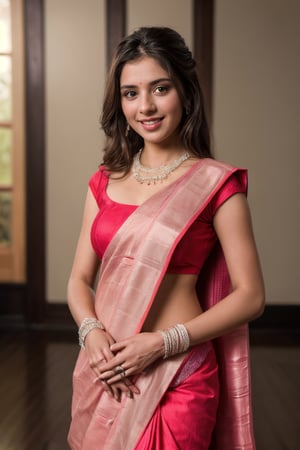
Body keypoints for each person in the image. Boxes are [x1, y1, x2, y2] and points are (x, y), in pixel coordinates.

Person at [67, 26, 265, 450]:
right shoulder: (103, 182)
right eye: (131, 93)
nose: (147, 106)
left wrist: (161, 344)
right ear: (119, 103)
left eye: (161, 88)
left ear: (186, 93)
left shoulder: (215, 184)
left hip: (179, 374)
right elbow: (80, 280)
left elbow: (251, 296)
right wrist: (92, 335)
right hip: (107, 372)